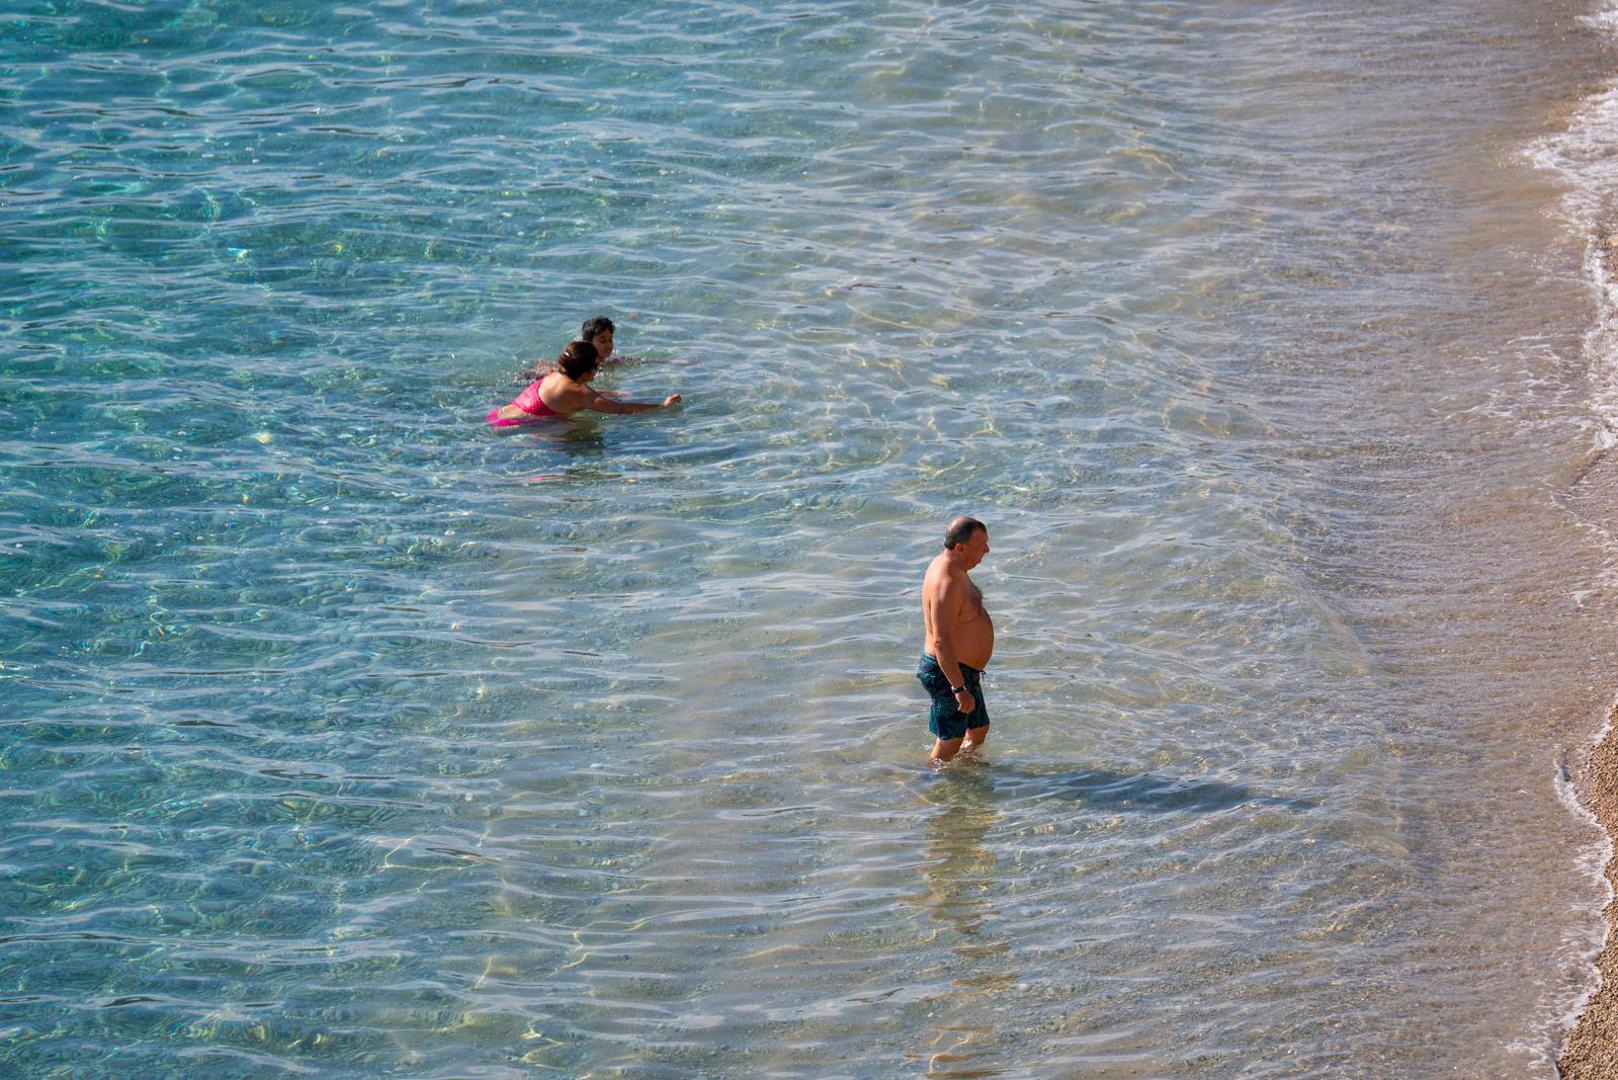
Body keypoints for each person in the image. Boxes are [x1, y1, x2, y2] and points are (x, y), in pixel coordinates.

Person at [917, 516, 994, 765]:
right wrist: (959, 689)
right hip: (948, 673)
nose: (987, 550)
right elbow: (941, 641)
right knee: (949, 741)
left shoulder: (956, 567)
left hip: (964, 670)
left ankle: (964, 773)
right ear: (960, 548)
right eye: (981, 544)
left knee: (979, 729)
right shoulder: (947, 582)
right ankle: (929, 784)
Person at [488, 340, 679, 427]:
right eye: (596, 366)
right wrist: (662, 406)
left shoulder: (554, 375)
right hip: (515, 428)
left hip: (497, 415)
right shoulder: (580, 392)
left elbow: (562, 395)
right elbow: (622, 410)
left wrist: (604, 393)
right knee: (586, 430)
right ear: (588, 371)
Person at [514, 316, 621, 384]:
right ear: (587, 343)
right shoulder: (580, 363)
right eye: (602, 341)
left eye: (610, 340)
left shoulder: (608, 363)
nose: (608, 345)